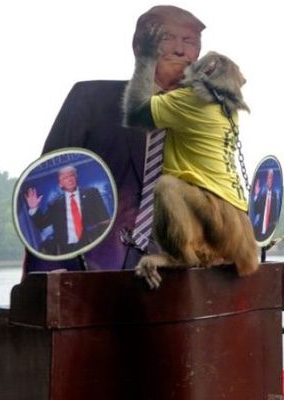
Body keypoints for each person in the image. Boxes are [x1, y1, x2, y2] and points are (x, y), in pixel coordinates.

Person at [23, 6, 205, 272]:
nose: (180, 50)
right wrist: (48, 281)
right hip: (90, 274)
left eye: (189, 41)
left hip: (172, 278)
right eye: (168, 37)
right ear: (139, 45)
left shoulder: (203, 121)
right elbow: (45, 184)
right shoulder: (90, 99)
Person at [25, 166, 110, 255]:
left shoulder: (92, 193)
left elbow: (104, 219)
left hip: (92, 243)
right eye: (65, 177)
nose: (70, 179)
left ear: (76, 178)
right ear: (60, 184)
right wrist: (34, 208)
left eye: (71, 176)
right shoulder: (55, 204)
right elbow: (41, 224)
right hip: (67, 250)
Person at [252, 168, 281, 242]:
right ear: (266, 179)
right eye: (269, 177)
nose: (270, 180)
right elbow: (256, 210)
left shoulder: (275, 196)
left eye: (271, 177)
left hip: (269, 231)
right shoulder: (262, 196)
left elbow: (275, 215)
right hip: (260, 231)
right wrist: (256, 195)